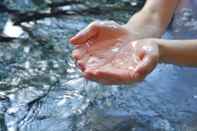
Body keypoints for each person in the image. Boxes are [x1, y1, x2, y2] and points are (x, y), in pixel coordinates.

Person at [69, 0, 197, 85]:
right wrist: (132, 35)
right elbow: (154, 13)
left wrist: (163, 50)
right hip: (172, 70)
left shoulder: (162, 50)